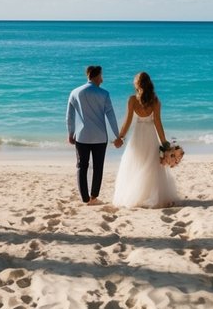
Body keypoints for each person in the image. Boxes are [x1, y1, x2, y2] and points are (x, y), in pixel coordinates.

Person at [113, 71, 179, 208]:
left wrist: (121, 137)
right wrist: (164, 142)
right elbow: (158, 123)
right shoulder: (155, 101)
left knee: (136, 163)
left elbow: (128, 121)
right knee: (150, 165)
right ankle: (149, 195)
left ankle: (137, 196)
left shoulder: (132, 100)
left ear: (137, 84)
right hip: (150, 135)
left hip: (138, 135)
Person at [66, 65, 122, 206]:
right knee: (98, 167)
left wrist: (70, 133)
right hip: (100, 137)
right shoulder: (104, 94)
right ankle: (94, 197)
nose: (102, 80)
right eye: (101, 76)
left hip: (82, 136)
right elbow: (111, 116)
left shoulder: (75, 92)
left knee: (81, 166)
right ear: (96, 76)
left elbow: (69, 116)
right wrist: (117, 135)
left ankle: (85, 199)